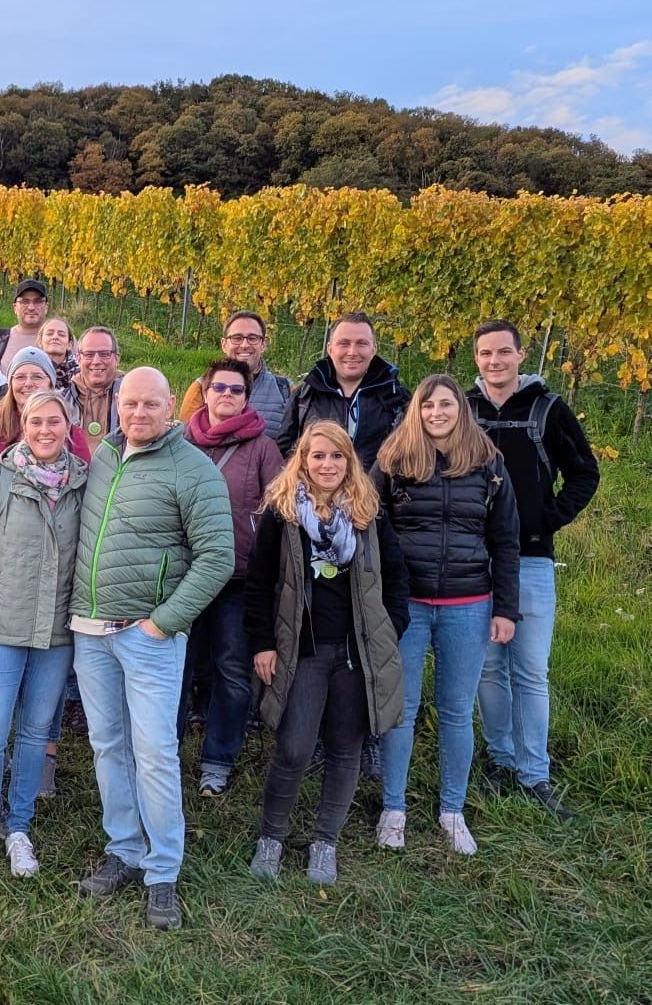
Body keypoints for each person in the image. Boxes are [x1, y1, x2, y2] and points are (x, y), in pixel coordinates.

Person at [70, 367, 234, 931]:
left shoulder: (193, 468)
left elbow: (217, 556)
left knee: (156, 753)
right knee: (107, 745)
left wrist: (164, 623)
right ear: (118, 404)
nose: (138, 413)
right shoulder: (102, 457)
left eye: (150, 404)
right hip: (91, 632)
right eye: (130, 403)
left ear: (171, 407)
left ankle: (162, 871)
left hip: (148, 638)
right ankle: (124, 848)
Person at [243, 421, 409, 885]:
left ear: (349, 461)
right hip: (303, 650)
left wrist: (390, 628)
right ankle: (271, 838)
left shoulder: (368, 514)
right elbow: (259, 584)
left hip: (356, 654)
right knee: (293, 747)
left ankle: (325, 842)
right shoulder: (284, 514)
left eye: (337, 456)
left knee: (345, 748)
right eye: (318, 456)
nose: (327, 465)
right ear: (303, 460)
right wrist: (262, 643)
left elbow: (396, 577)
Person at [374, 374, 521, 855]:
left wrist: (506, 608)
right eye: (427, 405)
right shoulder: (394, 460)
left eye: (445, 405)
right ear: (416, 411)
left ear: (461, 409)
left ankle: (452, 810)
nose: (436, 413)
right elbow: (369, 523)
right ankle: (393, 809)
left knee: (457, 711)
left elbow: (505, 540)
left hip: (468, 604)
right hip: (407, 605)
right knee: (401, 709)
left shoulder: (488, 464)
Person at [0, 389, 87, 881]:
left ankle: (19, 828)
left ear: (68, 427)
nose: (45, 430)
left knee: (35, 732)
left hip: (56, 634)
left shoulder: (84, 482)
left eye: (54, 421)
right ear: (23, 426)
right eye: (36, 422)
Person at [468, 320, 598, 822]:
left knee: (530, 670)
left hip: (530, 559)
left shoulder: (548, 408)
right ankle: (500, 760)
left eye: (504, 352)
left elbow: (584, 472)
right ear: (476, 359)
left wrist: (548, 518)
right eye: (486, 353)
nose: (495, 361)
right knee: (487, 668)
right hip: (474, 559)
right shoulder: (464, 409)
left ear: (521, 356)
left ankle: (534, 771)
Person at [178, 358, 284, 796]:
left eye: (236, 389)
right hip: (184, 576)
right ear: (204, 393)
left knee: (232, 670)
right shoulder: (181, 442)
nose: (226, 395)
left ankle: (217, 760)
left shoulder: (263, 448)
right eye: (218, 387)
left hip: (237, 578)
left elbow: (277, 513)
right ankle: (165, 752)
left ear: (246, 397)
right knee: (177, 670)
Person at [276, 311, 409, 472]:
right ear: (330, 349)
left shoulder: (397, 399)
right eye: (344, 343)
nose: (352, 352)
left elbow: (409, 456)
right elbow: (284, 454)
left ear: (374, 349)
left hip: (374, 488)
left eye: (361, 343)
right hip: (316, 488)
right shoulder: (305, 396)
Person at [0, 347, 91, 488]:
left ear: (51, 383)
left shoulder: (71, 433)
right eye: (20, 377)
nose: (28, 383)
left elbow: (85, 485)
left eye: (37, 377)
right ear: (11, 384)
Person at [178, 311, 292, 439]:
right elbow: (185, 441)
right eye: (237, 338)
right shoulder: (199, 389)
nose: (244, 345)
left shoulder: (286, 390)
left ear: (263, 344)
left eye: (252, 338)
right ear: (224, 344)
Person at [68, 326, 123, 458]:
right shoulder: (63, 399)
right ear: (78, 359)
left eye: (104, 354)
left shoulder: (132, 398)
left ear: (117, 358)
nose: (96, 361)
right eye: (89, 355)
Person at [0, 279, 48, 373]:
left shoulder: (61, 339)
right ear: (15, 308)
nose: (31, 307)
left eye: (37, 301)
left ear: (46, 307)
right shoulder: (0, 340)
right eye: (25, 301)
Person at [39, 317, 79, 393]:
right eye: (49, 334)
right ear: (40, 341)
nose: (55, 337)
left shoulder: (81, 372)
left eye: (61, 335)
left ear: (70, 344)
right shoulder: (32, 368)